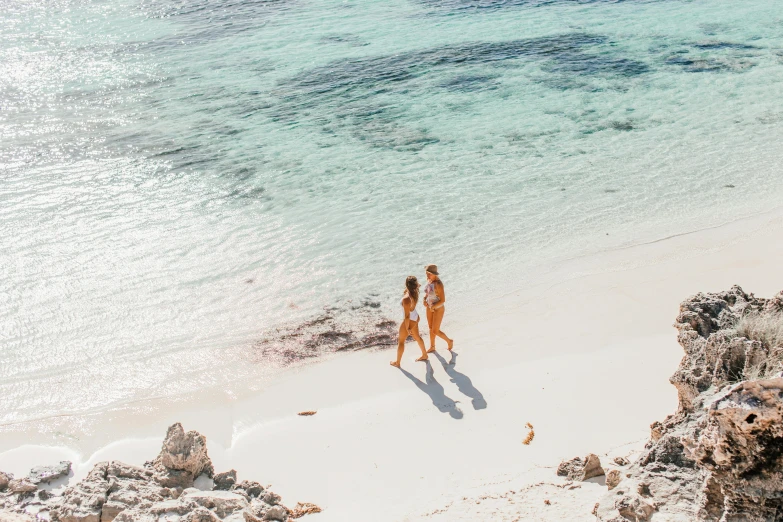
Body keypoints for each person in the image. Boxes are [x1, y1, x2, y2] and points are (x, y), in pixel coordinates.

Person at [390, 276, 429, 367]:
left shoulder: (406, 298)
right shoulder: (414, 291)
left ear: (406, 284)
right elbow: (416, 286)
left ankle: (397, 362)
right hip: (415, 316)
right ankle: (424, 354)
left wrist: (408, 328)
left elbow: (407, 316)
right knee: (417, 337)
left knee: (401, 341)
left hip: (410, 319)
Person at [424, 264, 453, 352]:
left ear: (435, 274)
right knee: (430, 328)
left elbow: (442, 300)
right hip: (429, 307)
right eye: (427, 273)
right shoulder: (429, 281)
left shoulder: (439, 284)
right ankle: (432, 346)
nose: (428, 275)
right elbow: (428, 293)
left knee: (435, 331)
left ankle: (449, 341)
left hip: (438, 308)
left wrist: (433, 306)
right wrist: (424, 299)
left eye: (430, 274)